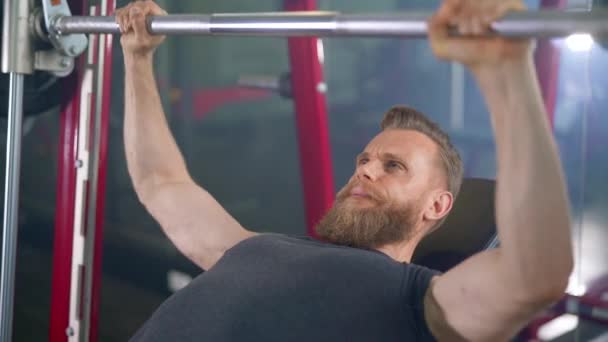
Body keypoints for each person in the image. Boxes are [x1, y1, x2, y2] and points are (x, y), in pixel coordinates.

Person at [116, 0, 574, 340]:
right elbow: (162, 184)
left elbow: (535, 277)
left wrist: (506, 71)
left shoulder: (422, 302)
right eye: (364, 161)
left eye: (392, 166)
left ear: (438, 205)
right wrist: (137, 58)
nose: (366, 171)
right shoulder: (247, 247)